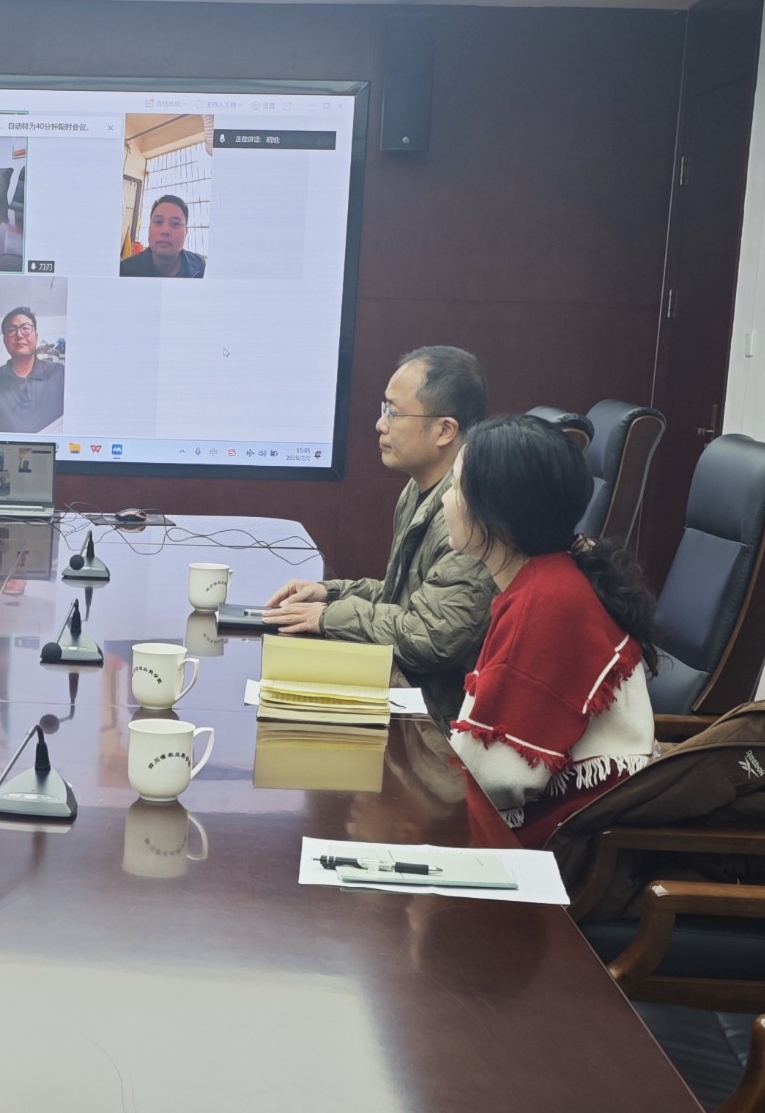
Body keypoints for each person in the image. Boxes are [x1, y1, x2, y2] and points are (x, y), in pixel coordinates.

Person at [435, 413, 661, 846]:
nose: (446, 499)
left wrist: (421, 781)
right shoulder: (548, 578)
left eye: (457, 486)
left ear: (497, 511)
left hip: (567, 843)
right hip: (568, 824)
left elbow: (498, 776)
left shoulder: (546, 601)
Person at [263, 347, 494, 718]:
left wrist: (327, 616)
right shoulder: (418, 490)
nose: (380, 424)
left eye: (394, 413)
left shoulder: (469, 513)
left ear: (444, 430)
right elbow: (403, 599)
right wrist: (330, 592)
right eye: (384, 408)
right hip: (403, 687)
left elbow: (432, 636)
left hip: (434, 720)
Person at [0, 306, 64, 431]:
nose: (19, 335)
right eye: (12, 330)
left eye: (26, 328)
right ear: (5, 340)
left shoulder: (61, 375)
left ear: (36, 337)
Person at [120, 193, 207, 278]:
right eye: (158, 222)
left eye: (175, 223)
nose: (165, 231)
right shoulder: (125, 271)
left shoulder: (200, 267)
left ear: (186, 231)